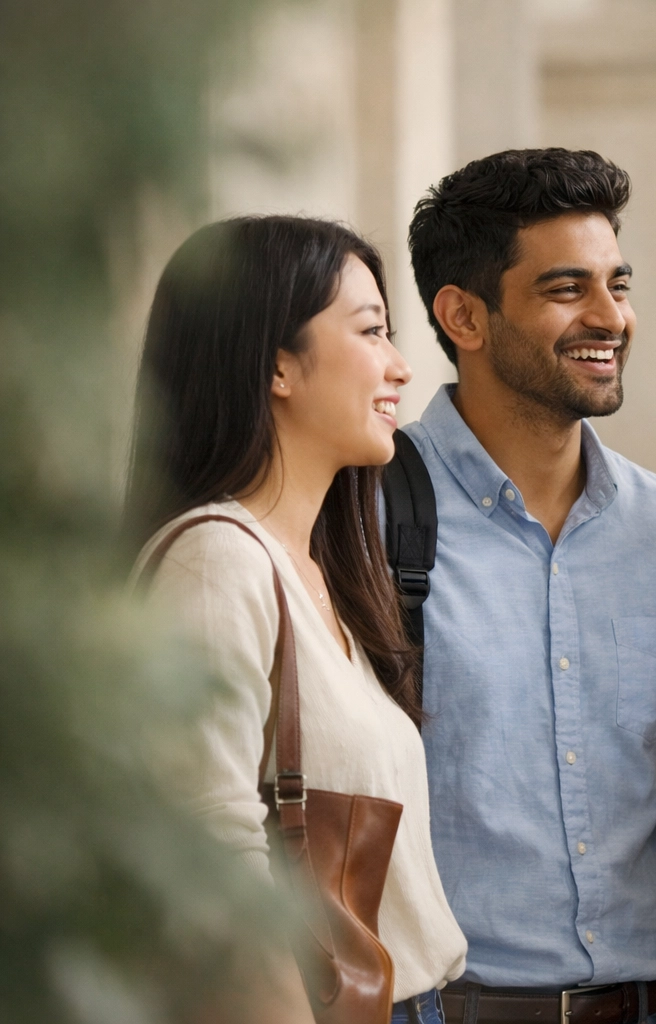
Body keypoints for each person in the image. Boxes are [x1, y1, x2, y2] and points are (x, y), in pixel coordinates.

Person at [402, 148, 656, 1024]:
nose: (610, 317)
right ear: (464, 316)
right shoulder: (360, 517)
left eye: (617, 285)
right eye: (566, 290)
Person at [127, 216, 468, 1024]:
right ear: (278, 365)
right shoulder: (218, 561)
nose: (399, 365)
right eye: (372, 331)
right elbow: (215, 859)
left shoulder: (322, 571)